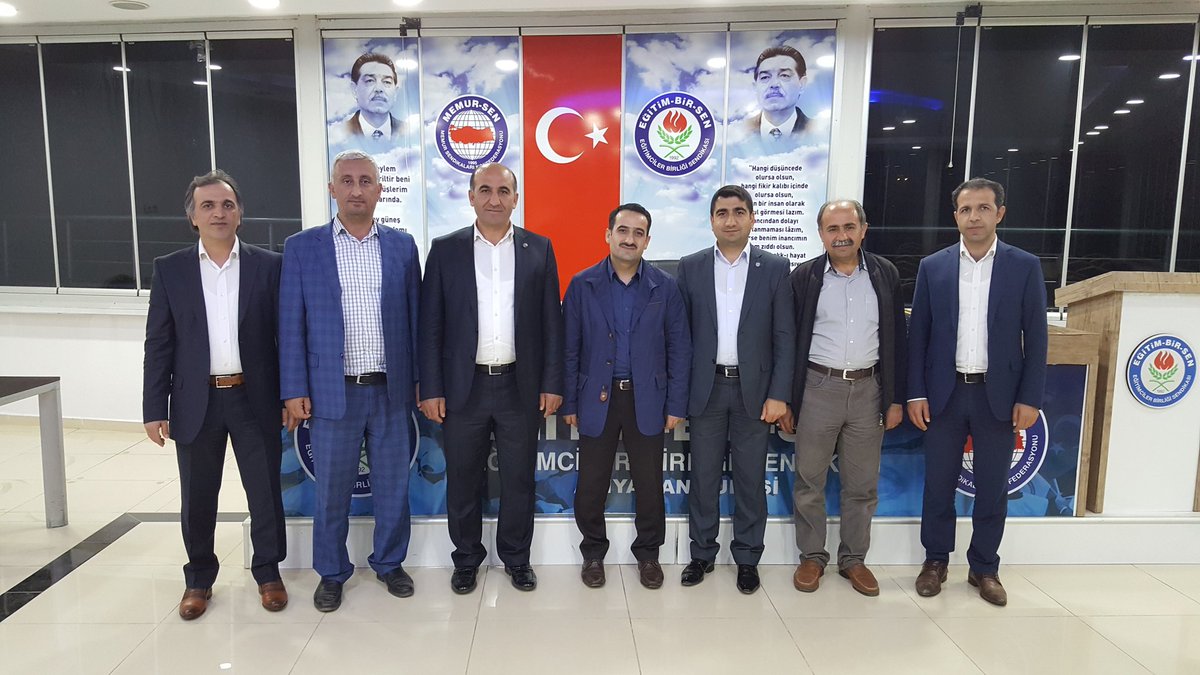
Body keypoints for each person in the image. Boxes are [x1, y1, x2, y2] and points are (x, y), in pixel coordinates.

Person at [279, 150, 421, 612]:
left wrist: (421, 380)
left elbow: (416, 321)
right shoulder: (303, 247)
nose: (356, 189)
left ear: (379, 189)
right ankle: (332, 572)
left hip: (390, 390)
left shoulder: (403, 247)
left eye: (365, 181)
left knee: (393, 486)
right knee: (331, 490)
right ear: (332, 188)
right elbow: (290, 324)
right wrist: (294, 389)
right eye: (347, 180)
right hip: (331, 392)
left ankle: (389, 563)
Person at [142, 169, 288, 620]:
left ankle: (268, 572)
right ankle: (199, 579)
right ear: (193, 217)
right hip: (195, 401)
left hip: (255, 397)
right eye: (207, 206)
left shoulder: (270, 265)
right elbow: (159, 343)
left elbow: (286, 337)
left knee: (265, 491)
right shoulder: (171, 270)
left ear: (240, 213)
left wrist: (291, 394)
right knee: (198, 496)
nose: (218, 213)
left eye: (227, 205)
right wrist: (154, 407)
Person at [418, 162, 564, 594]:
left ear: (516, 198)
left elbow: (551, 323)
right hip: (464, 388)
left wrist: (552, 382)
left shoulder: (539, 248)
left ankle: (517, 558)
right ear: (471, 197)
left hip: (521, 385)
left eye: (503, 191)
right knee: (463, 478)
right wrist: (432, 387)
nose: (494, 199)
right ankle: (466, 560)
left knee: (519, 479)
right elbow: (430, 325)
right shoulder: (446, 250)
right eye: (485, 190)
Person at [907, 178, 1048, 607]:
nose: (974, 217)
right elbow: (919, 335)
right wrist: (915, 393)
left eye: (984, 208)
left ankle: (984, 567)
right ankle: (935, 561)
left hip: (998, 397)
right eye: (966, 209)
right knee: (938, 486)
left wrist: (1030, 397)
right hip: (944, 395)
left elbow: (1036, 337)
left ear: (999, 213)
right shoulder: (933, 267)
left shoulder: (1024, 266)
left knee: (992, 488)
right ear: (956, 216)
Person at [561, 203, 691, 590]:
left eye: (638, 233)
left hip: (647, 399)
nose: (629, 239)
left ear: (647, 241)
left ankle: (648, 555)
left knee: (649, 484)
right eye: (623, 230)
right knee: (591, 484)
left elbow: (679, 348)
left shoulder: (665, 287)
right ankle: (593, 554)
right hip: (596, 398)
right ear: (608, 235)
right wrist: (570, 402)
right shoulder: (582, 284)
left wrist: (676, 404)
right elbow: (569, 349)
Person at [674, 185, 793, 594]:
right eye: (722, 213)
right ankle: (702, 554)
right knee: (703, 477)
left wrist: (779, 394)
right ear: (711, 221)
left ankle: (747, 558)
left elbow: (784, 336)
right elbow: (680, 336)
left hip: (754, 393)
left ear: (752, 219)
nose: (730, 220)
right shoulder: (690, 267)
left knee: (749, 479)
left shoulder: (774, 267)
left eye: (739, 212)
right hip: (705, 390)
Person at [788, 199, 907, 597]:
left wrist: (894, 398)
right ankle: (812, 557)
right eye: (832, 228)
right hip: (817, 387)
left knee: (862, 484)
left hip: (869, 391)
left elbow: (897, 339)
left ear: (863, 229)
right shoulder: (804, 277)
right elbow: (788, 342)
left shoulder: (885, 274)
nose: (841, 236)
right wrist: (788, 399)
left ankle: (853, 559)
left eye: (849, 227)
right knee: (809, 480)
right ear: (821, 234)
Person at [330, 52, 405, 151]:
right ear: (354, 89)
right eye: (370, 81)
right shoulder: (338, 134)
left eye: (387, 82)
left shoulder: (408, 131)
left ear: (395, 92)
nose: (379, 89)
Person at [744, 45, 811, 144]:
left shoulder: (819, 130)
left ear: (802, 84)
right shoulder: (738, 132)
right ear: (755, 87)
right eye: (765, 77)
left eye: (784, 75)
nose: (774, 84)